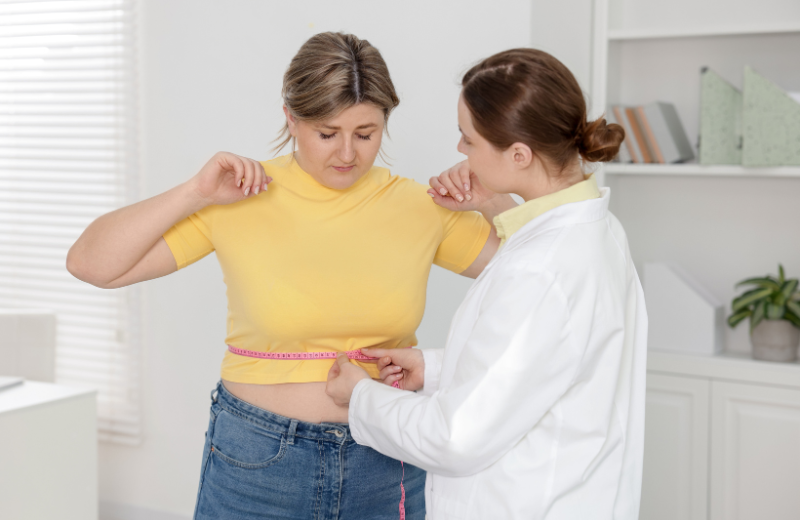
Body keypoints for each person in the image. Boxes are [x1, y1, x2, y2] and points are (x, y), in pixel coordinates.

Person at [66, 32, 517, 520]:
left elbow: (533, 278)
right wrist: (195, 192)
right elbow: (92, 265)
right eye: (327, 133)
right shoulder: (238, 195)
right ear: (291, 118)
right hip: (258, 462)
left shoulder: (421, 206)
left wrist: (494, 202)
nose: (347, 153)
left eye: (365, 133)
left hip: (386, 458)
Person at [326, 48, 649, 520]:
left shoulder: (541, 271)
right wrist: (435, 369)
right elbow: (544, 361)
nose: (460, 149)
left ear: (519, 154)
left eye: (468, 138)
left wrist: (361, 397)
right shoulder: (598, 230)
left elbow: (455, 437)